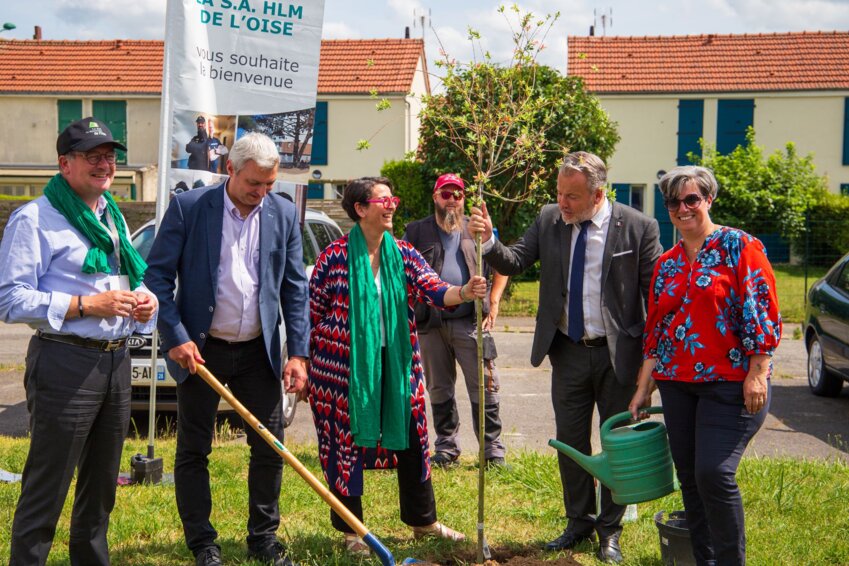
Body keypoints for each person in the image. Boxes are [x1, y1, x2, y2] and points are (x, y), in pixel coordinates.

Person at [469, 151, 662, 563]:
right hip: (568, 351)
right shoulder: (549, 219)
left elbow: (656, 300)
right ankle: (578, 522)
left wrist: (651, 366)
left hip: (618, 355)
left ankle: (610, 531)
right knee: (571, 442)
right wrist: (487, 241)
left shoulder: (638, 227)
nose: (562, 203)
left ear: (598, 195)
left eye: (572, 196)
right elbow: (516, 260)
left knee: (617, 442)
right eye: (559, 193)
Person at [144, 132, 309, 566]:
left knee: (269, 445)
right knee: (194, 449)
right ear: (230, 169)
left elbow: (294, 287)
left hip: (259, 351)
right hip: (202, 349)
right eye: (254, 183)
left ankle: (264, 539)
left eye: (269, 184)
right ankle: (203, 544)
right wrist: (175, 336)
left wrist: (298, 353)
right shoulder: (190, 208)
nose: (261, 192)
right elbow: (156, 278)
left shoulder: (283, 213)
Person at [0, 117, 158, 566]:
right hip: (64, 362)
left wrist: (144, 301)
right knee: (47, 486)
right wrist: (87, 306)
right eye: (93, 156)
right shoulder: (34, 219)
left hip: (116, 362)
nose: (104, 164)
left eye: (109, 156)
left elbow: (125, 280)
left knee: (101, 486)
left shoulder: (111, 216)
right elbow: (10, 299)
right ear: (64, 164)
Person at [307, 176, 486, 556]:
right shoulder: (334, 257)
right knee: (344, 446)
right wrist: (307, 364)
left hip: (397, 364)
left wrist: (465, 291)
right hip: (342, 371)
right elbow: (314, 312)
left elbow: (434, 289)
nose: (391, 206)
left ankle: (424, 522)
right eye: (383, 201)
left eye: (393, 200)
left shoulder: (403, 253)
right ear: (360, 209)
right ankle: (352, 532)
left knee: (413, 438)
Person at [629, 166, 781, 566]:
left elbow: (762, 311)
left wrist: (758, 372)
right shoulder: (666, 263)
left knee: (714, 472)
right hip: (676, 383)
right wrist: (643, 388)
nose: (682, 208)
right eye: (673, 202)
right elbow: (656, 331)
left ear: (708, 199)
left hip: (731, 384)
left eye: (691, 199)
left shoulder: (739, 246)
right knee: (692, 481)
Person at [403, 172, 508, 468]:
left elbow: (502, 263)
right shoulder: (416, 231)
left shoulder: (477, 228)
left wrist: (494, 301)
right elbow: (403, 271)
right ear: (435, 197)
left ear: (464, 198)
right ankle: (447, 448)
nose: (452, 200)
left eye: (458, 195)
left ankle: (492, 451)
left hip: (471, 321)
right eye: (446, 194)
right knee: (439, 388)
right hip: (430, 323)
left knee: (485, 385)